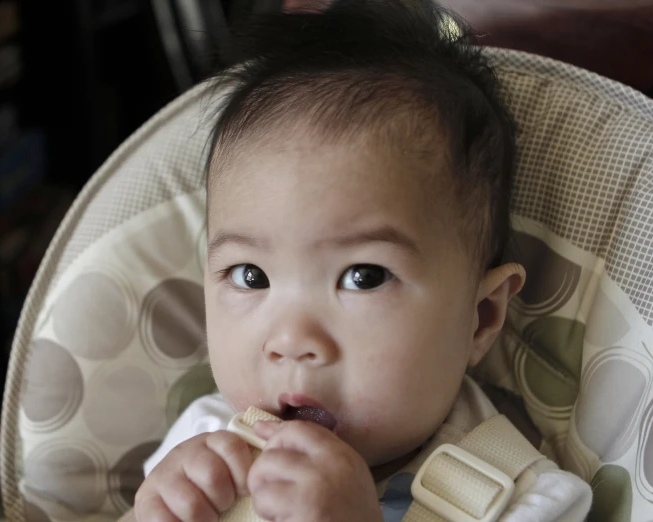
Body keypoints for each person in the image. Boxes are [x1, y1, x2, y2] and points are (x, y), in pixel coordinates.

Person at [133, 0, 593, 520]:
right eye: (250, 275)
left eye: (362, 277)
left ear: (481, 316)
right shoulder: (204, 446)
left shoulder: (523, 497)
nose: (292, 341)